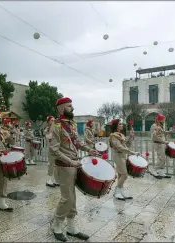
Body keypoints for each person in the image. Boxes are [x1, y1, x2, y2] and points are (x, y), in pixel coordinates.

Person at [49, 97, 98, 242]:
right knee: (67, 198)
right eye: (70, 106)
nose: (72, 108)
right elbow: (54, 150)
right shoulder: (56, 126)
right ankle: (56, 225)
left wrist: (89, 149)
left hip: (74, 165)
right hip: (64, 166)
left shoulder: (72, 124)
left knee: (73, 197)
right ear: (61, 109)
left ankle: (71, 226)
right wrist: (71, 161)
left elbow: (77, 142)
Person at [109, 118, 138, 200]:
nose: (122, 125)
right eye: (120, 124)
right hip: (118, 156)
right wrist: (131, 152)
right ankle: (117, 191)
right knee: (125, 175)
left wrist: (131, 136)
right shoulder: (113, 136)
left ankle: (120, 191)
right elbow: (120, 147)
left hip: (122, 156)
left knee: (121, 175)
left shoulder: (121, 135)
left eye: (122, 124)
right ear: (116, 126)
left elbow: (127, 144)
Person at [150, 114, 172, 179]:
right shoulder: (154, 126)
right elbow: (155, 136)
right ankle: (153, 170)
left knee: (162, 159)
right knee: (162, 158)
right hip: (158, 144)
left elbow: (162, 132)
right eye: (163, 119)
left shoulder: (160, 125)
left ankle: (161, 172)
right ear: (160, 119)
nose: (164, 120)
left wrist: (168, 132)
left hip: (162, 144)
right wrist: (164, 142)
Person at [44, 116, 59, 187]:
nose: (53, 121)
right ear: (48, 122)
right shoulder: (46, 130)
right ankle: (49, 180)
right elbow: (49, 137)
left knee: (56, 165)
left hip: (56, 149)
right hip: (50, 149)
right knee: (51, 164)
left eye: (53, 120)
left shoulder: (56, 128)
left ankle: (56, 179)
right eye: (51, 120)